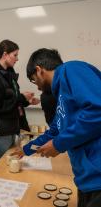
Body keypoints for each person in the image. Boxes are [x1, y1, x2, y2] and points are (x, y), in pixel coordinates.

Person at [23, 48, 101, 207]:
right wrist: (26, 149)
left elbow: (97, 110)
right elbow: (55, 130)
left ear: (39, 70)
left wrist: (58, 144)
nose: (36, 87)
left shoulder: (70, 69)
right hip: (86, 179)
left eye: (33, 80)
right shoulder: (61, 94)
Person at [0, 39, 39, 165]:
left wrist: (26, 101)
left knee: (9, 163)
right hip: (1, 131)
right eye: (15, 55)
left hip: (11, 128)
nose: (17, 59)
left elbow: (12, 99)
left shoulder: (8, 74)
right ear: (5, 54)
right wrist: (22, 98)